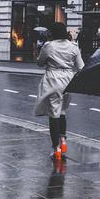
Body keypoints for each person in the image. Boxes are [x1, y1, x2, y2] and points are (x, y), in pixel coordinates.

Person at [33, 22, 84, 160]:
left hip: (53, 79)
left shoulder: (49, 46)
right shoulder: (73, 47)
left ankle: (56, 149)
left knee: (53, 114)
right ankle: (63, 140)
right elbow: (81, 66)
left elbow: (40, 62)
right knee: (62, 111)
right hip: (68, 80)